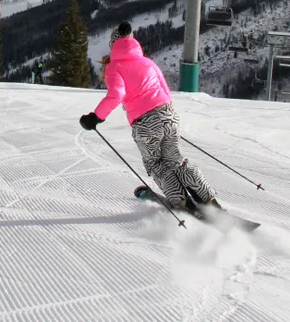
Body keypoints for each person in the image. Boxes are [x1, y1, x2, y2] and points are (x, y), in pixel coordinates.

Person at [79, 21, 220, 212]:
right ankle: (207, 197)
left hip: (145, 122)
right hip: (168, 114)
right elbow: (165, 90)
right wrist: (165, 119)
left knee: (156, 164)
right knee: (176, 160)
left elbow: (116, 95)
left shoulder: (115, 67)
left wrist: (96, 117)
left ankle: (181, 202)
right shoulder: (148, 63)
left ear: (114, 46)